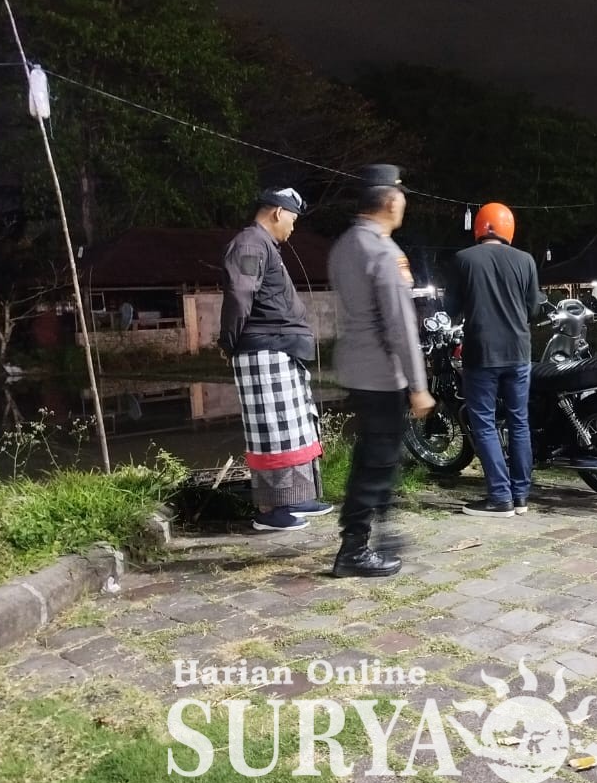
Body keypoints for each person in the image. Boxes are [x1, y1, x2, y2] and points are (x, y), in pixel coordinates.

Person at [328, 164, 435, 578]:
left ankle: (380, 532)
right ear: (390, 201)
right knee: (377, 460)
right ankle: (353, 549)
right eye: (401, 196)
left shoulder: (344, 245)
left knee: (375, 455)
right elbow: (400, 324)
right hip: (381, 373)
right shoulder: (384, 253)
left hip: (354, 368)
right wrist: (418, 385)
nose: (403, 203)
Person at [219, 187, 333, 532]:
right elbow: (239, 295)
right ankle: (271, 511)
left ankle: (295, 498)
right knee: (272, 431)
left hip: (281, 350)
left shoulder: (265, 245)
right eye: (292, 220)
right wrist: (229, 341)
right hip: (262, 351)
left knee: (294, 429)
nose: (293, 227)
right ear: (277, 212)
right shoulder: (249, 244)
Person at [443, 202, 540, 517]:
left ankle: (500, 497)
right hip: (519, 352)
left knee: (484, 423)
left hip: (481, 353)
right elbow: (534, 308)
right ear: (508, 229)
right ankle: (521, 496)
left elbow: (451, 308)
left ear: (479, 228)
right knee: (519, 421)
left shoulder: (464, 259)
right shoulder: (526, 260)